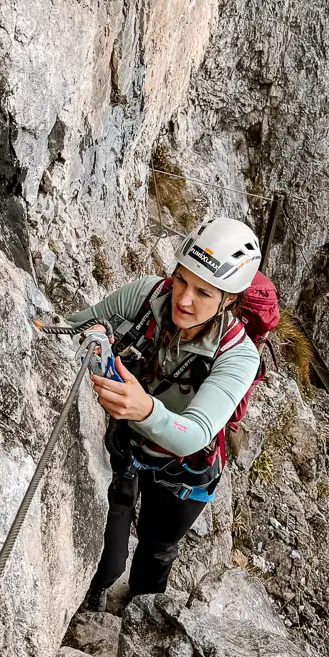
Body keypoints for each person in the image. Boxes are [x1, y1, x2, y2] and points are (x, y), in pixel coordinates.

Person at [65, 217, 263, 608]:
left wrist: (144, 409)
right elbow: (75, 326)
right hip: (126, 446)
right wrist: (93, 336)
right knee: (107, 562)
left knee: (156, 549)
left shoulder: (239, 357)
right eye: (182, 280)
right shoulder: (145, 296)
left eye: (204, 293)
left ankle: (142, 613)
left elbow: (194, 432)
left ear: (229, 300)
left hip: (183, 472)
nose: (184, 300)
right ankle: (93, 593)